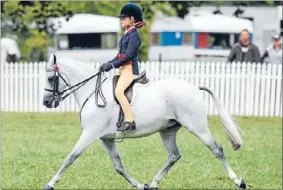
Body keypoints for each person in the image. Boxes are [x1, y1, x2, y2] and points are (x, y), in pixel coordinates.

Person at [99, 3, 146, 132]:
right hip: (122, 69)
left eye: (124, 18)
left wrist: (113, 65)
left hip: (130, 69)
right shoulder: (126, 34)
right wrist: (108, 63)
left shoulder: (134, 36)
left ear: (132, 19)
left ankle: (130, 121)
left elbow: (129, 55)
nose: (121, 21)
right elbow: (119, 55)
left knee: (119, 91)